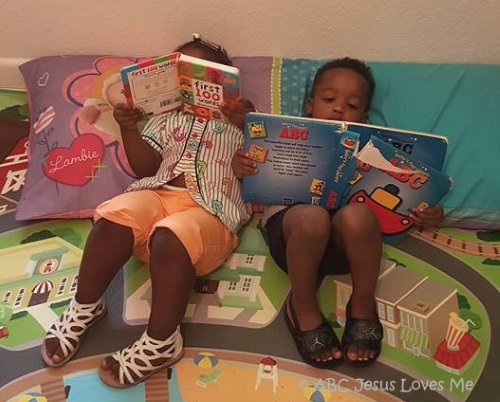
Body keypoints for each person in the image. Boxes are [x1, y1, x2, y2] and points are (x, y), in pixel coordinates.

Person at [40, 36, 255, 388]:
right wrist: (129, 128)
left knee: (171, 234)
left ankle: (162, 341)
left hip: (210, 213)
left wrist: (247, 122)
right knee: (115, 213)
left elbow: (267, 157)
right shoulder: (163, 119)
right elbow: (144, 170)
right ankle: (86, 306)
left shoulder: (240, 121)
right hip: (157, 195)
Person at [232, 57, 444, 368]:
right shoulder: (282, 134)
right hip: (294, 240)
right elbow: (253, 175)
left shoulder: (372, 149)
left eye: (352, 104)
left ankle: (362, 302)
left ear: (365, 115)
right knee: (312, 217)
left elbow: (408, 201)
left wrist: (430, 211)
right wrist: (243, 168)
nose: (338, 108)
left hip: (350, 249)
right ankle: (302, 305)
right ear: (309, 105)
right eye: (328, 99)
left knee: (358, 215)